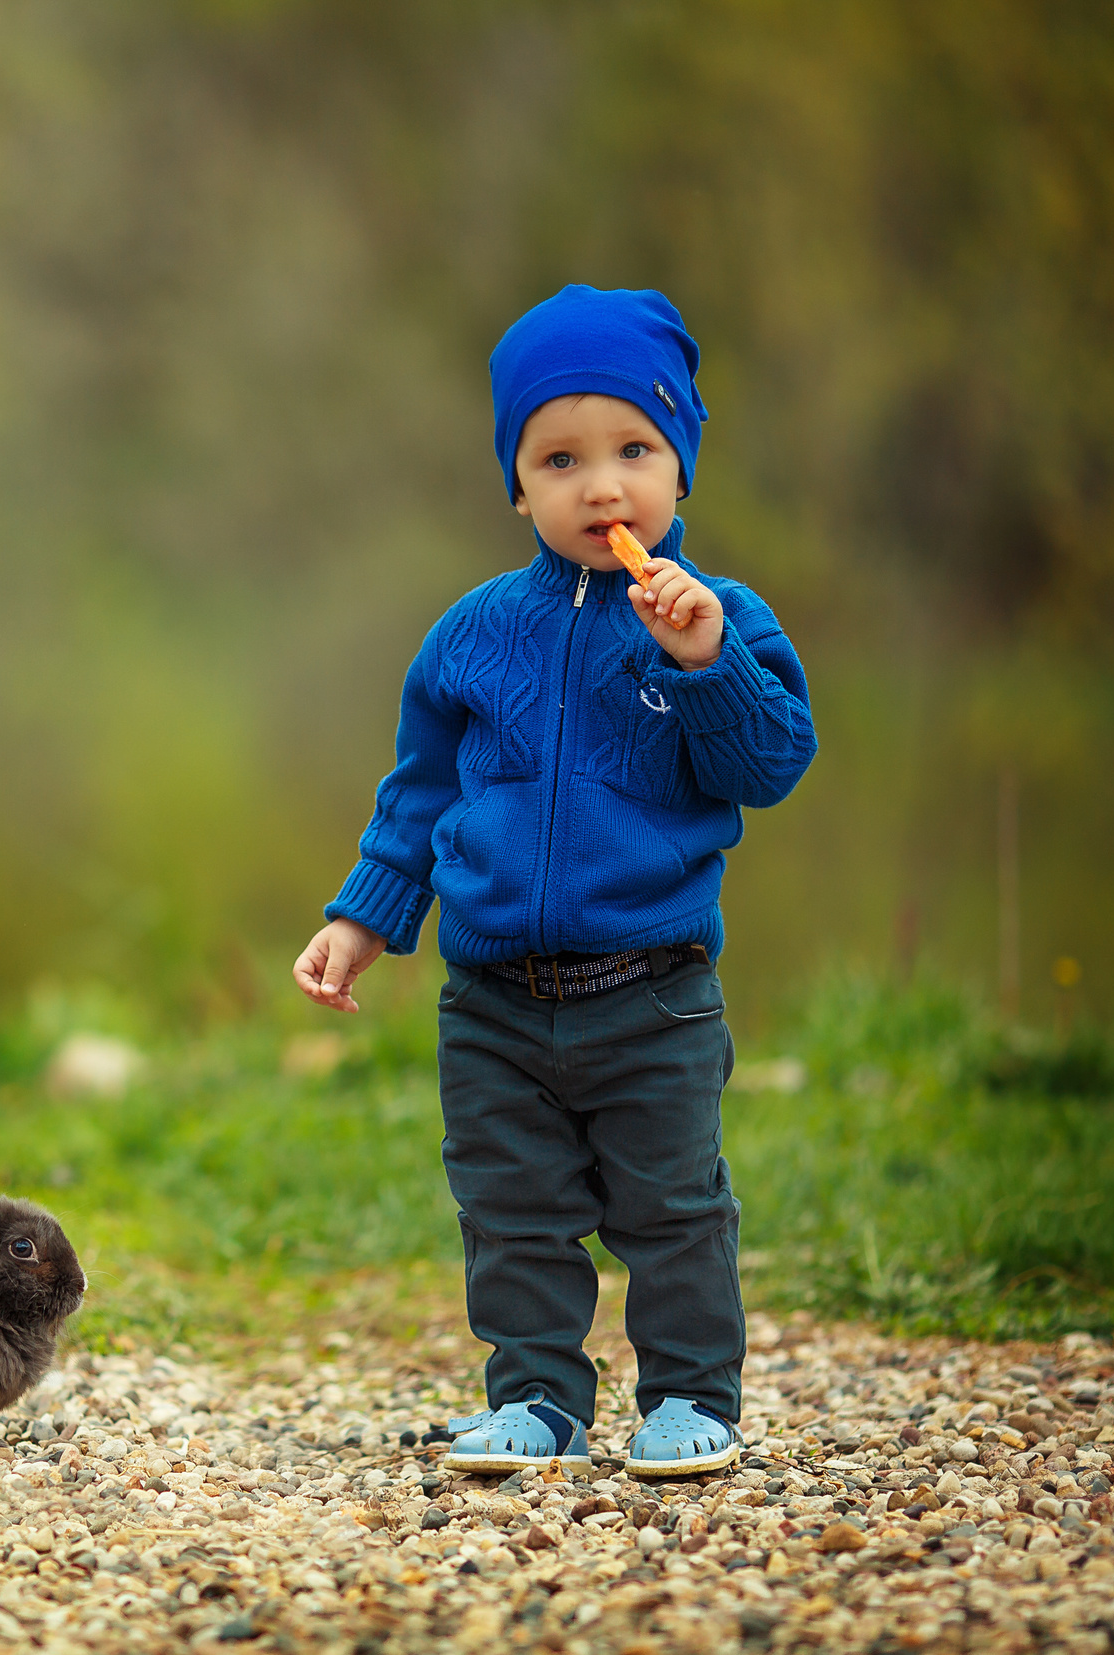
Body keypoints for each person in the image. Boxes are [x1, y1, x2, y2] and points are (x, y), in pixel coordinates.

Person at [293, 285, 817, 1477]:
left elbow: (768, 763)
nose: (602, 488)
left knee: (670, 1209)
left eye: (635, 451)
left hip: (652, 990)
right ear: (515, 486)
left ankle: (690, 1399)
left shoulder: (719, 621)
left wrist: (703, 665)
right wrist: (364, 916)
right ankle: (537, 1398)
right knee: (511, 1211)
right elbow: (423, 790)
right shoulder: (472, 635)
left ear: (678, 471)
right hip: (493, 1001)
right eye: (560, 458)